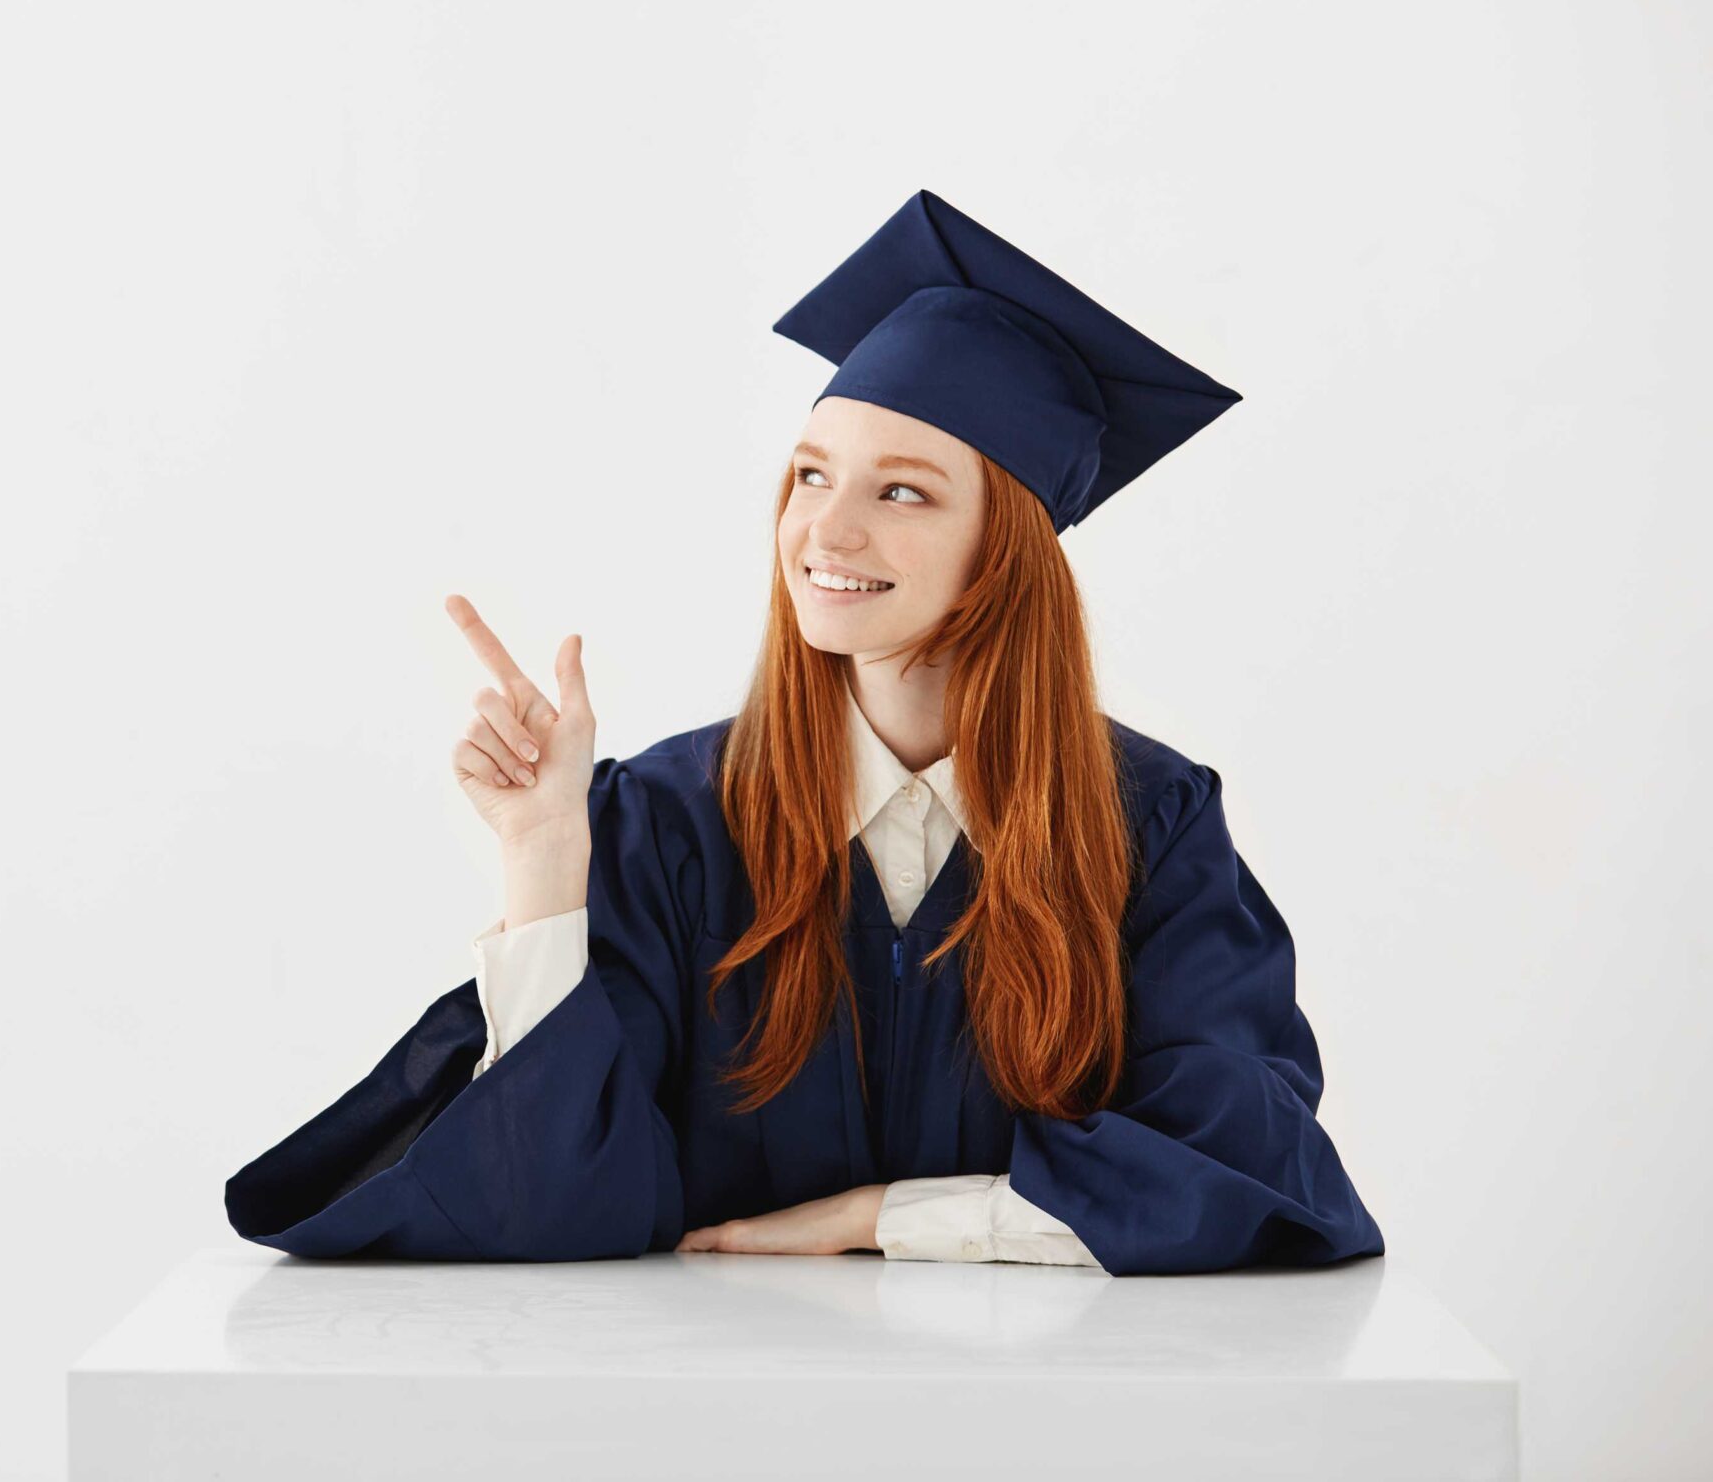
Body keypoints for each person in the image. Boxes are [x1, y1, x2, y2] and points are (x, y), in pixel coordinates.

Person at [222, 190, 1388, 1275]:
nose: (822, 530)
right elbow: (543, 1202)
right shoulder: (667, 823)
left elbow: (1245, 1171)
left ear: (1008, 549)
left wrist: (875, 1219)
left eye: (901, 491)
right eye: (809, 475)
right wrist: (541, 860)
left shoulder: (1148, 827)